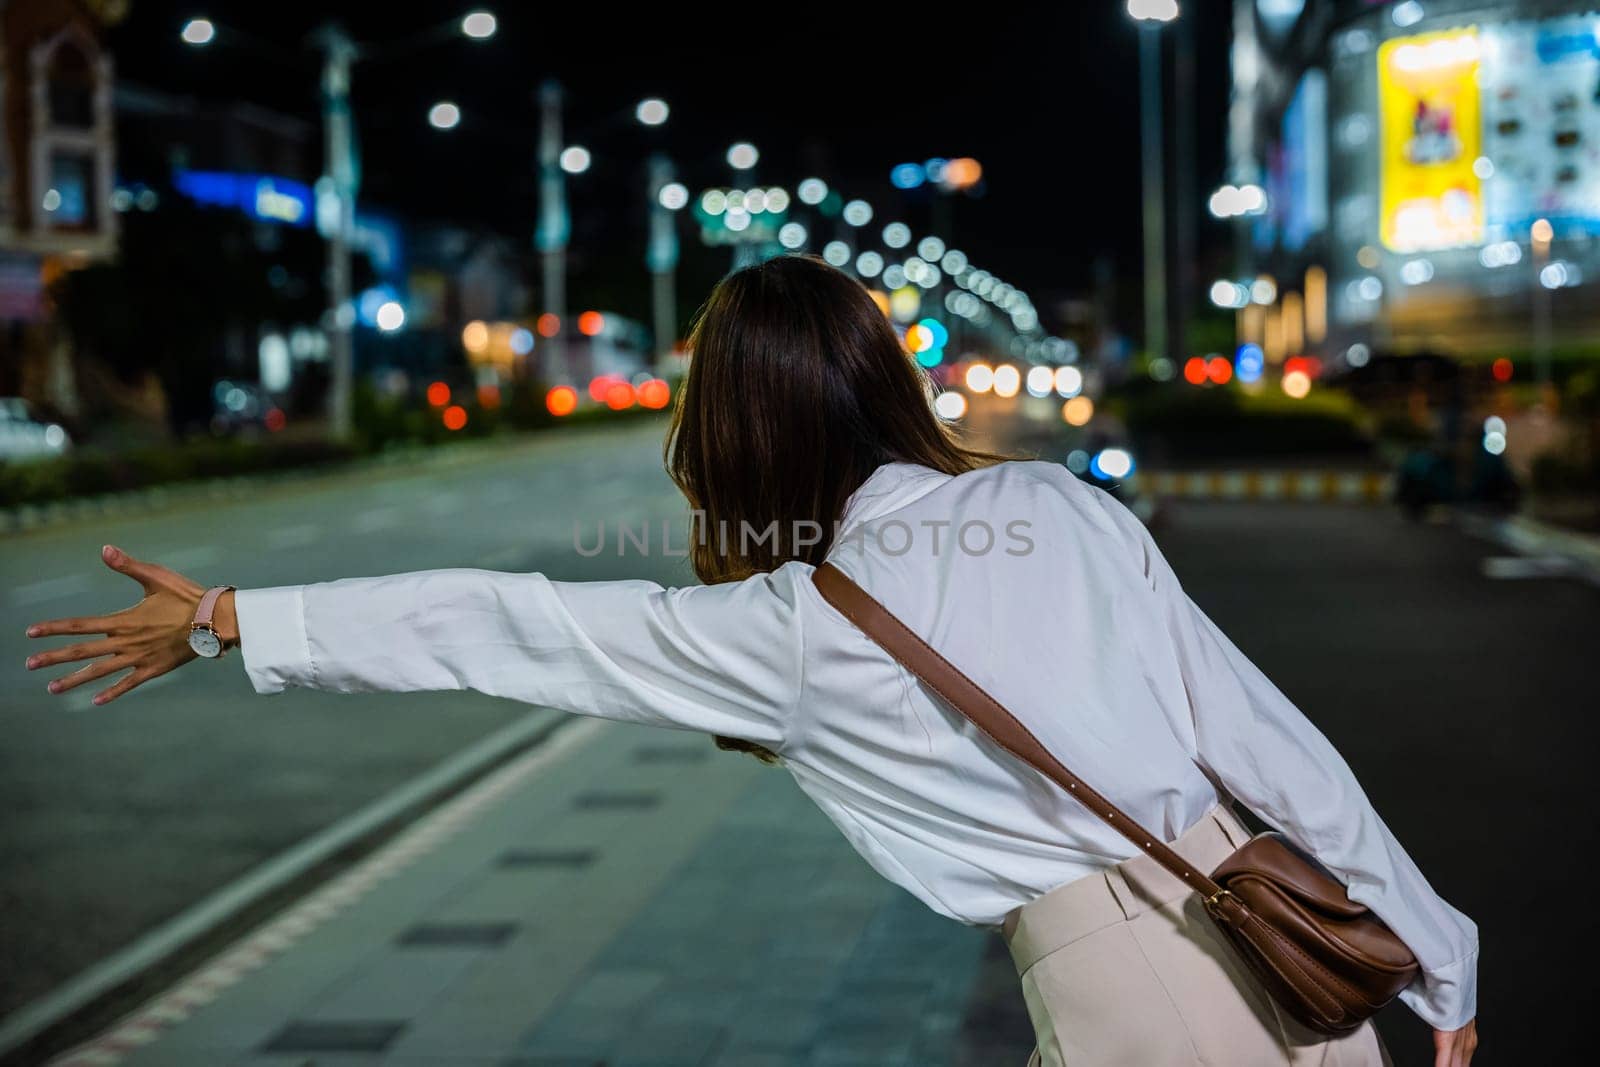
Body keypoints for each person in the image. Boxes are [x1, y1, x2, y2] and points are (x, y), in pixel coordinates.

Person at [24, 256, 1478, 1066]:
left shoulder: (787, 631)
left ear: (734, 432)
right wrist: (1435, 951)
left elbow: (507, 620)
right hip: (1277, 931)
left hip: (1130, 993)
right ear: (884, 382)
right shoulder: (1053, 506)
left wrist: (229, 618)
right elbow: (1264, 736)